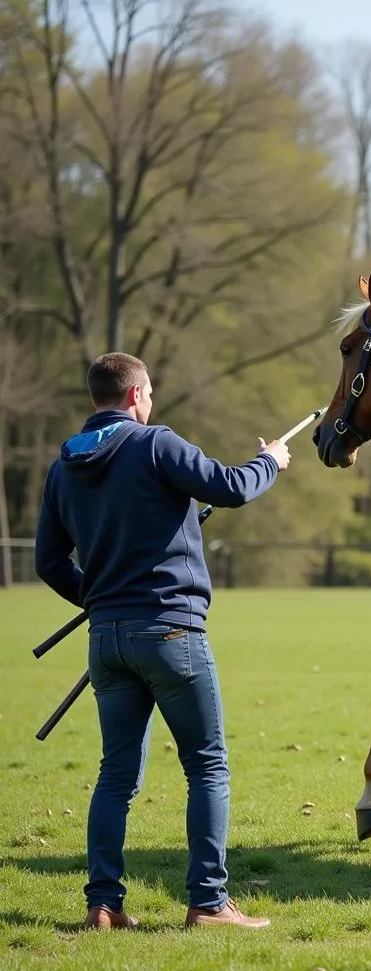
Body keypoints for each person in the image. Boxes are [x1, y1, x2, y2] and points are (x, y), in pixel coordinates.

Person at [34, 352, 291, 931]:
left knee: (115, 775)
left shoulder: (61, 468)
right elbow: (229, 488)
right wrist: (269, 461)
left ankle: (103, 906)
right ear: (134, 396)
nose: (150, 403)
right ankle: (208, 903)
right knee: (207, 766)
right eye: (148, 394)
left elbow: (48, 561)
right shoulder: (156, 445)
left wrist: (98, 601)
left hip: (107, 641)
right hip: (173, 632)